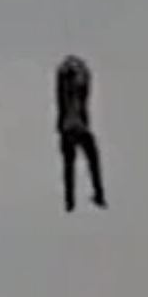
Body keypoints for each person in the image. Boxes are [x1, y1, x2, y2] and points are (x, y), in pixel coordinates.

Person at [56, 55, 107, 212]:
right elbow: (72, 82)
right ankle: (87, 197)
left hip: (71, 128)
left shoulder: (74, 90)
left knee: (72, 164)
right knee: (81, 161)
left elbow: (84, 83)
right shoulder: (68, 88)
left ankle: (73, 201)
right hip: (74, 127)